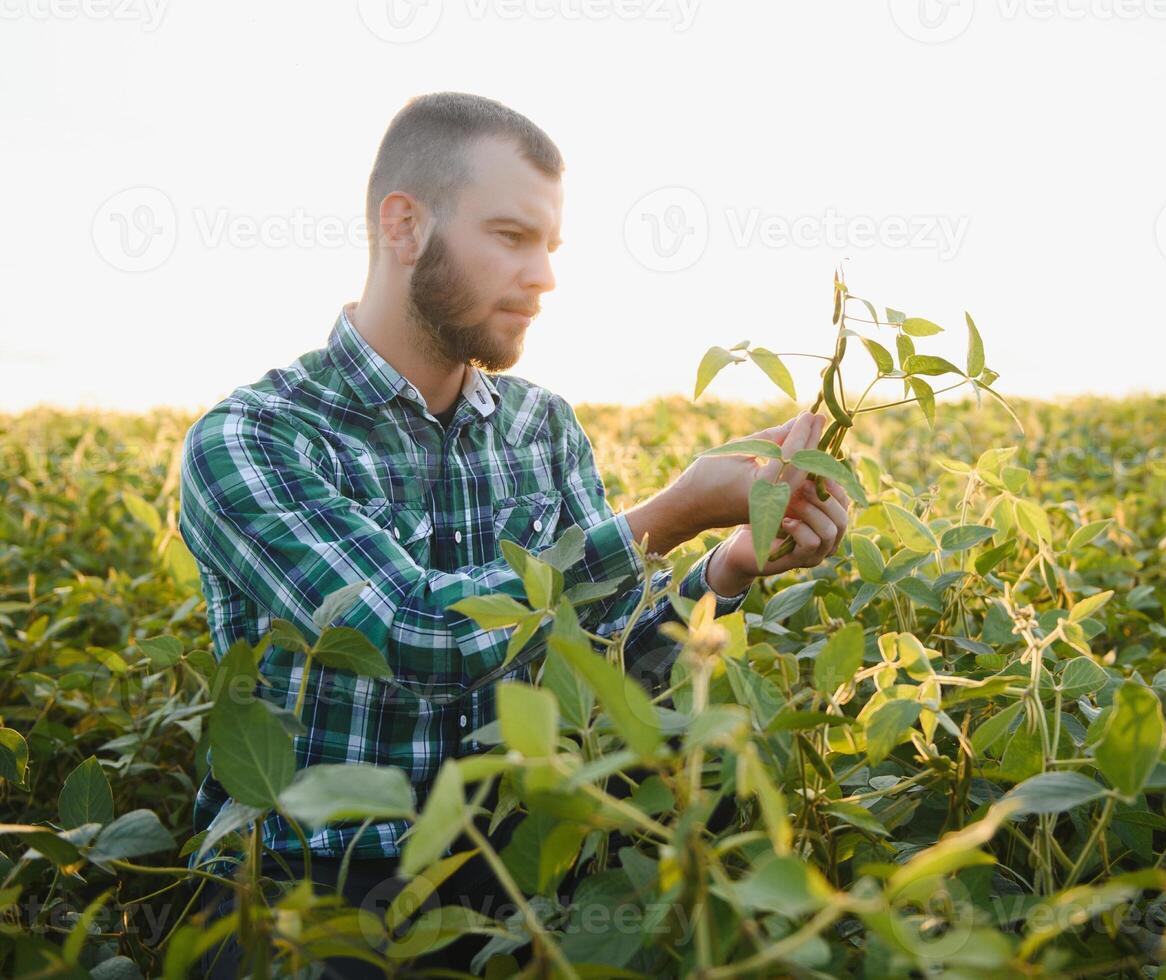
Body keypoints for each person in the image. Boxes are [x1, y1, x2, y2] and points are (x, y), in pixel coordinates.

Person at [178, 92, 851, 977]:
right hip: (305, 883)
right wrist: (670, 514)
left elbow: (601, 670)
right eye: (509, 236)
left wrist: (727, 566)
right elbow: (410, 636)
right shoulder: (255, 439)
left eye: (551, 246)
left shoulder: (542, 428)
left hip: (505, 866)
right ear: (405, 225)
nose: (543, 278)